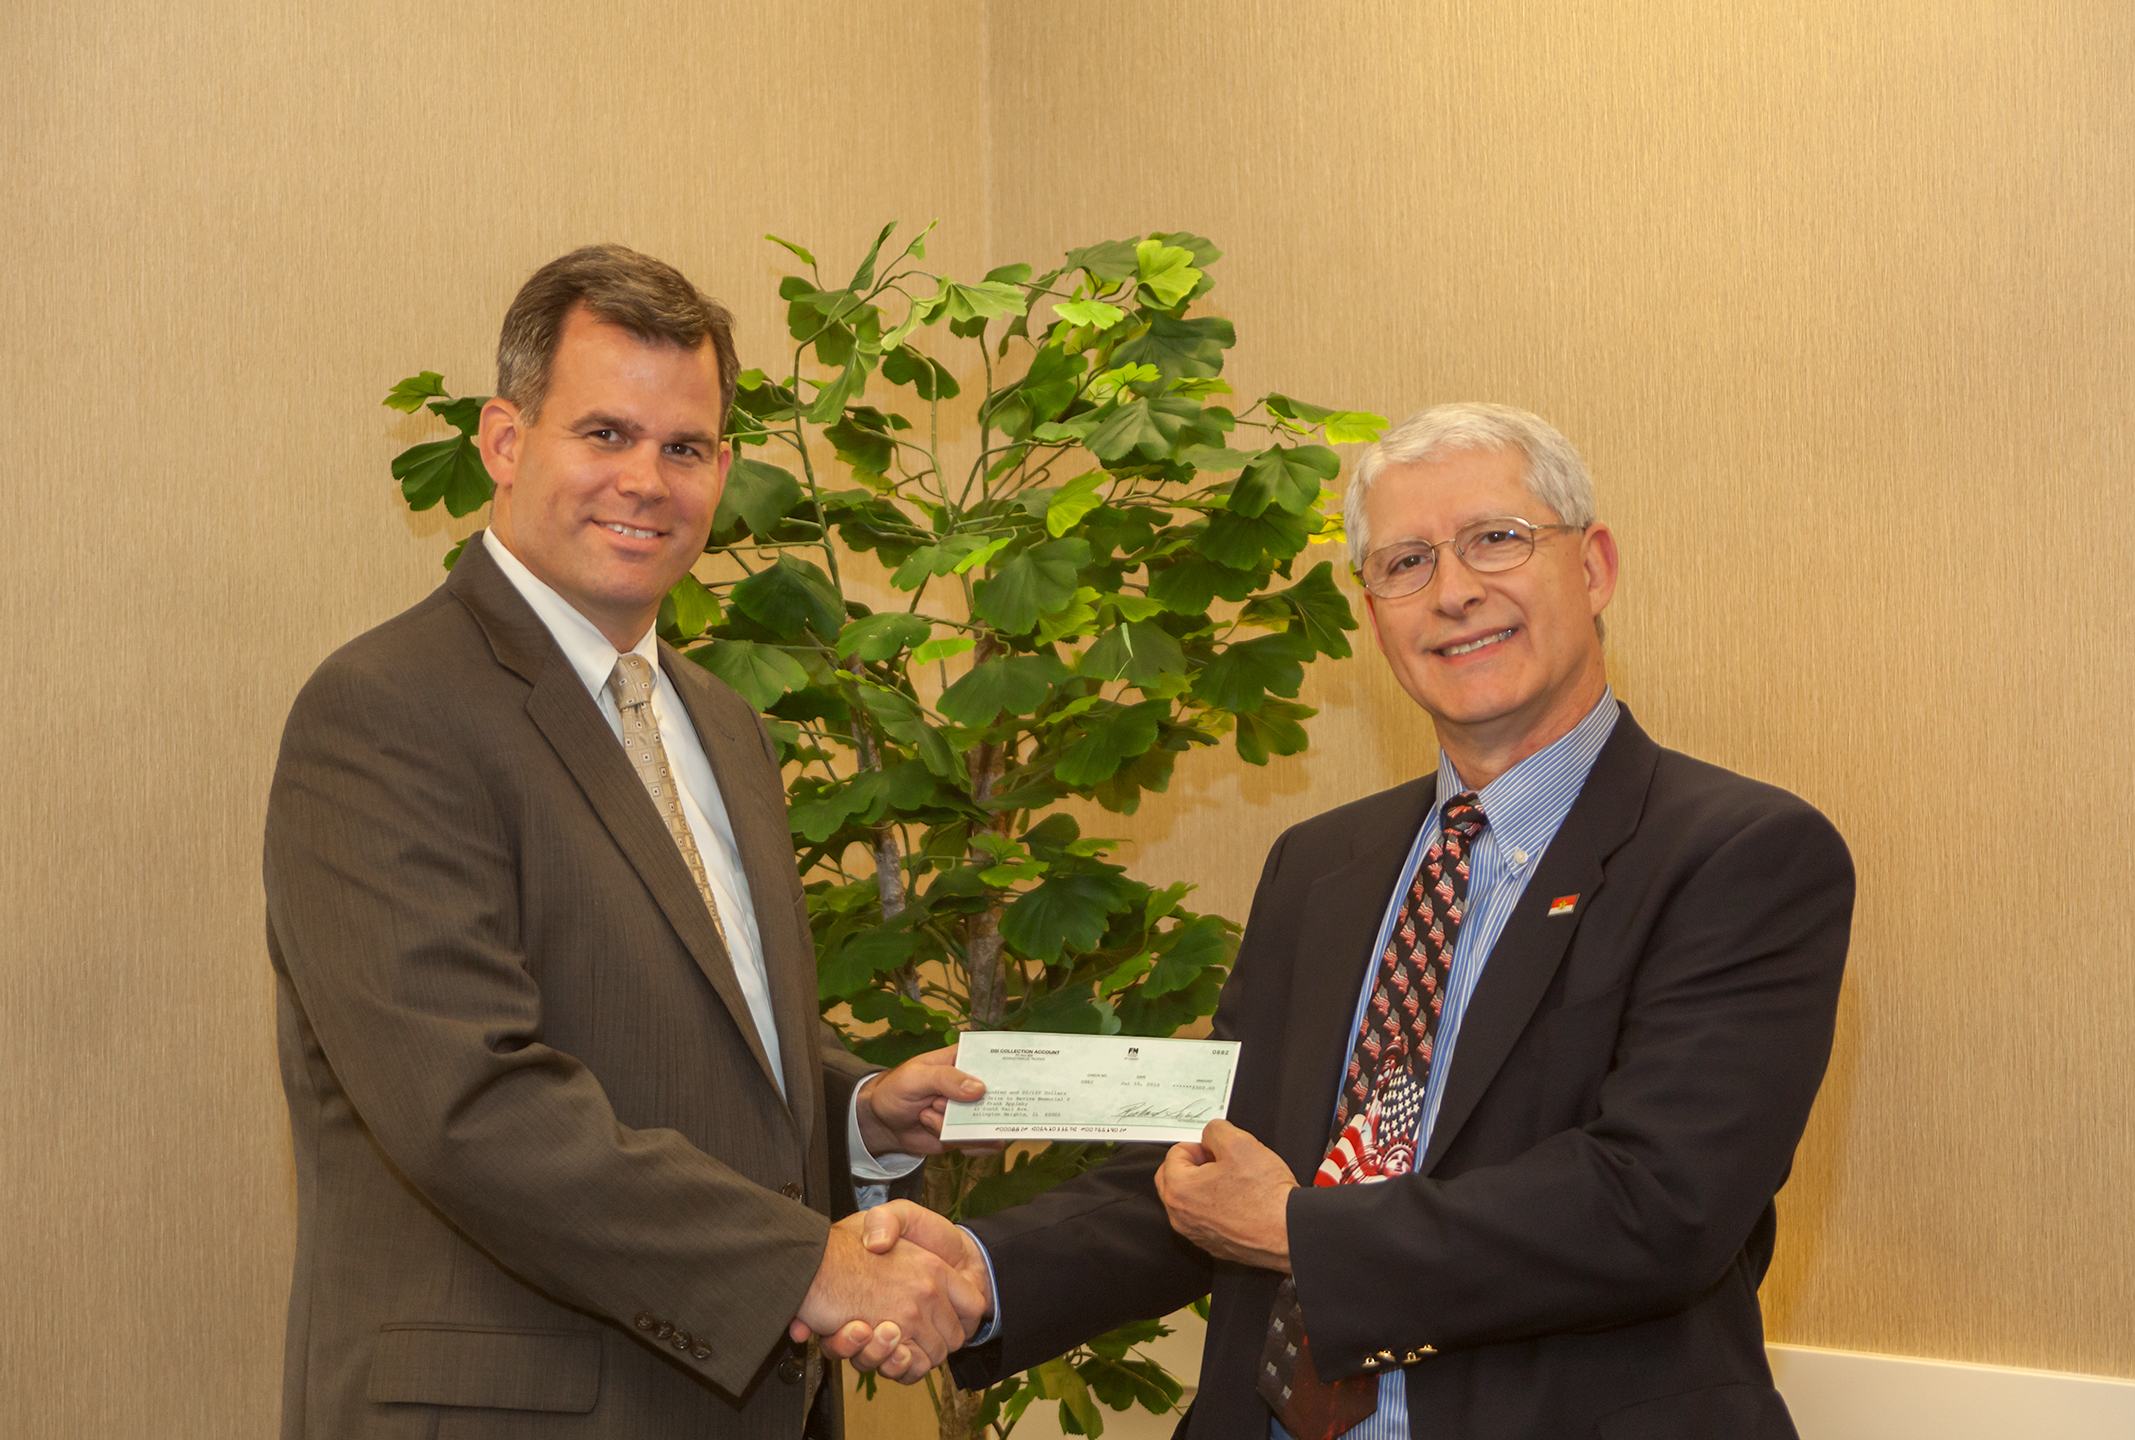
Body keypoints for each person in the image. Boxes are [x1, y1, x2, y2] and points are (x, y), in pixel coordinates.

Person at [844, 403, 1854, 1439]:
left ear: (1592, 568)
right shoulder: (1320, 865)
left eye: (1495, 539)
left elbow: (1659, 1204)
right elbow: (1217, 1172)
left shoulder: (1738, 855)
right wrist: (985, 1272)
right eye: (1406, 562)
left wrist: (1299, 1229)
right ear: (1373, 612)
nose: (1453, 592)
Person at [264, 244, 986, 1439]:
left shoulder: (724, 724)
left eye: (685, 448)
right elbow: (467, 1103)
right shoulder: (385, 710)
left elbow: (682, 1034)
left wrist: (854, 1111)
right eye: (605, 433)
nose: (646, 481)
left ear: (723, 471)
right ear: (505, 441)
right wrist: (803, 1265)